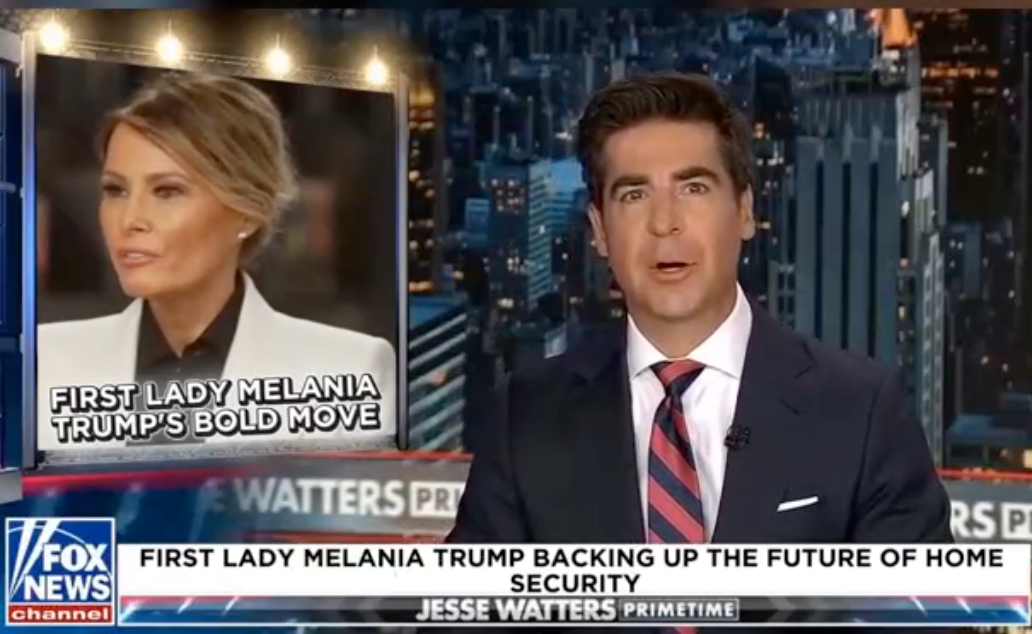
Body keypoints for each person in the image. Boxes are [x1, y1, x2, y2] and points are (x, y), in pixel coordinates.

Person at [449, 72, 952, 545]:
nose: (664, 222)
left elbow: (913, 600)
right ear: (600, 230)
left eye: (693, 188)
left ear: (745, 211)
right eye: (634, 194)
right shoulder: (527, 417)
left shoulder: (861, 412)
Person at [37, 73, 396, 452]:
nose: (130, 220)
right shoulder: (39, 363)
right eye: (115, 190)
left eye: (167, 191)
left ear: (247, 212)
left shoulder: (350, 369)